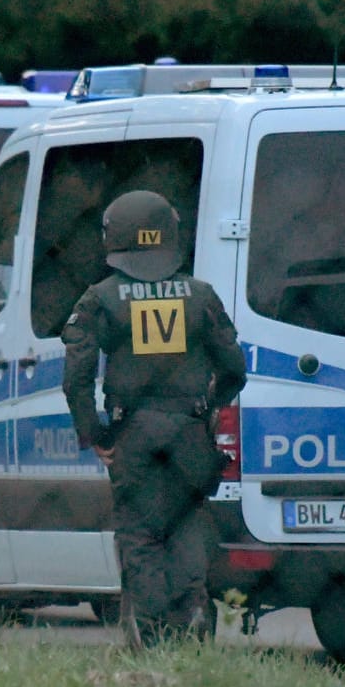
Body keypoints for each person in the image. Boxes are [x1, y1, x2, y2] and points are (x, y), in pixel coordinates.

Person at [62, 190, 246, 649]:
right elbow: (234, 368)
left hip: (132, 432)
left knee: (140, 532)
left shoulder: (100, 299)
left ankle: (146, 628)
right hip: (189, 431)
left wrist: (94, 433)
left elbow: (77, 375)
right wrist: (210, 408)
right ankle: (195, 610)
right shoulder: (200, 295)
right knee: (186, 520)